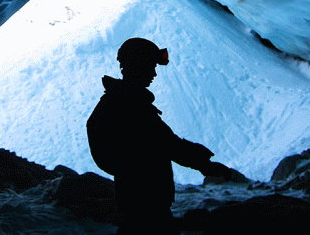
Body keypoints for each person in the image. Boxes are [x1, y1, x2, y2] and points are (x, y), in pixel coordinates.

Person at [86, 37, 227, 234]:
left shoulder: (121, 100)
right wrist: (204, 164)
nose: (153, 73)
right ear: (137, 67)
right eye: (150, 67)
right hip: (146, 199)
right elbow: (167, 143)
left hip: (135, 198)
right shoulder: (132, 106)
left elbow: (164, 142)